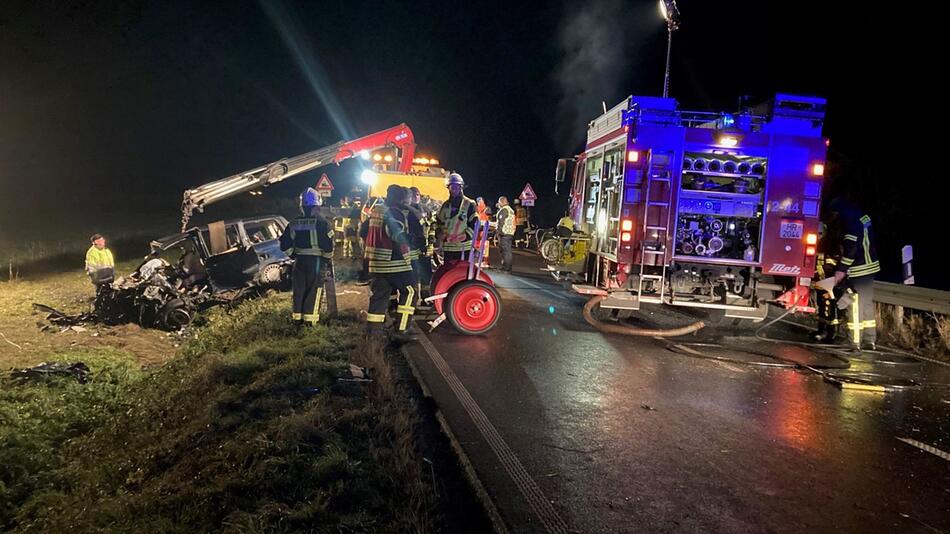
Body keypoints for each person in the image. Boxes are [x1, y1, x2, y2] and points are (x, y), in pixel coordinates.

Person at [365, 184, 419, 342]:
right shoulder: (394, 212)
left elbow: (363, 232)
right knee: (410, 291)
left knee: (380, 296)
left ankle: (373, 333)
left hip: (376, 262)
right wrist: (412, 241)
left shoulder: (377, 210)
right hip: (394, 262)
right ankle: (402, 330)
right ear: (399, 199)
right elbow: (396, 234)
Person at [828, 197, 881, 350]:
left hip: (858, 269)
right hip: (870, 267)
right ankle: (870, 341)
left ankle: (854, 342)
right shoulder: (863, 218)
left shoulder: (849, 223)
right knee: (866, 304)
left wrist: (841, 271)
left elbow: (850, 250)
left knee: (854, 305)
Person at [279, 187, 334, 326]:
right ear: (317, 205)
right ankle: (310, 324)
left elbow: (284, 243)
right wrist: (326, 259)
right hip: (316, 262)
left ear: (302, 205)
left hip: (299, 262)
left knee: (299, 291)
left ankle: (297, 321)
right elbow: (328, 245)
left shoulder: (294, 222)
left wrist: (292, 255)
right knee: (314, 291)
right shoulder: (323, 223)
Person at [434, 173, 477, 262]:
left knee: (462, 273)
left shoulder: (470, 204)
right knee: (449, 273)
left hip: (464, 248)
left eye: (456, 187)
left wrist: (465, 236)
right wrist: (440, 235)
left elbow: (474, 224)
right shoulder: (445, 205)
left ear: (461, 188)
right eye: (451, 187)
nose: (453, 190)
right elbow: (438, 223)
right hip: (448, 248)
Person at [495, 196, 516, 272]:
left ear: (501, 202)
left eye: (499, 202)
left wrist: (499, 232)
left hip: (504, 233)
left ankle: (506, 268)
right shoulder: (510, 210)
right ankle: (507, 267)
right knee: (508, 250)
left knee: (505, 251)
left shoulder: (504, 210)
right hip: (510, 232)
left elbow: (501, 222)